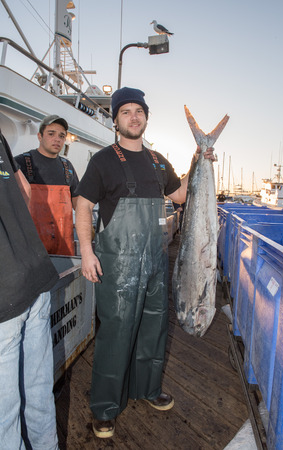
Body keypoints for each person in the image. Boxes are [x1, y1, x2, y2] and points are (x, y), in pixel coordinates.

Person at [75, 87, 215, 439]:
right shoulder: (103, 160)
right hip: (117, 264)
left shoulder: (157, 161)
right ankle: (105, 407)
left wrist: (200, 162)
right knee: (117, 334)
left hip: (154, 261)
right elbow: (82, 206)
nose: (134, 116)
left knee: (153, 329)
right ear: (116, 119)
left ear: (146, 118)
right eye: (126, 111)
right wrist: (87, 252)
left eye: (139, 110)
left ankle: (148, 389)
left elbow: (181, 195)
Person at [0, 130, 59, 449]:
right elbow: (24, 191)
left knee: (3, 419)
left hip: (4, 296)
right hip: (34, 275)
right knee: (38, 391)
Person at [15, 115, 79, 255]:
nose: (57, 139)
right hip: (31, 249)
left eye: (62, 136)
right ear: (39, 136)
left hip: (64, 250)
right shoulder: (20, 163)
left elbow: (78, 205)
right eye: (51, 134)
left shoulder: (67, 167)